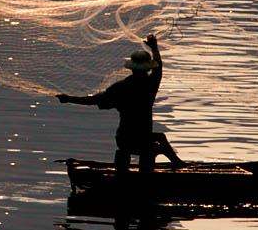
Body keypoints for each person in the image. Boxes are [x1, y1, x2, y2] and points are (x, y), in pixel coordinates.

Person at [56, 34, 184, 173]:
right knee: (153, 147)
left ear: (132, 68)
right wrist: (155, 48)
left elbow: (92, 100)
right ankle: (155, 174)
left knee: (158, 138)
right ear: (148, 69)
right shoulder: (150, 85)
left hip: (124, 139)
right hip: (141, 139)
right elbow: (158, 69)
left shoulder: (120, 88)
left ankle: (126, 175)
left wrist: (69, 99)